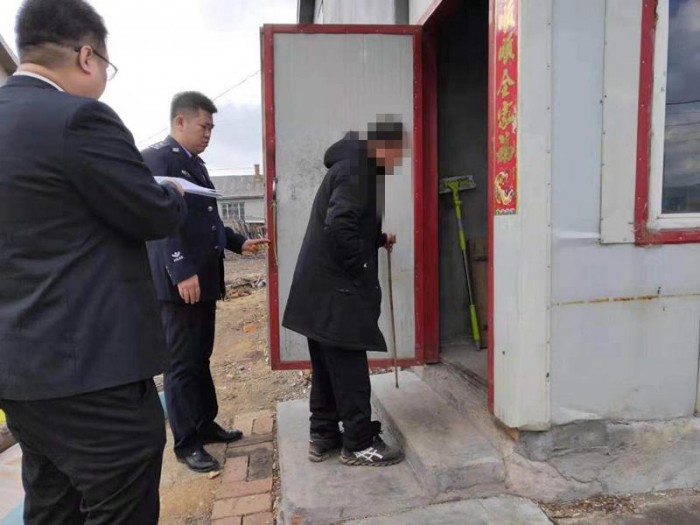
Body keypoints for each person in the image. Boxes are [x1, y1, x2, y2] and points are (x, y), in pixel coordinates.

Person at [0, 0, 188, 523]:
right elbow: (150, 213)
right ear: (88, 56)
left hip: (20, 374)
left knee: (52, 504)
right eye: (107, 65)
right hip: (93, 373)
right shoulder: (78, 119)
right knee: (119, 503)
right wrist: (170, 192)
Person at [144, 92, 269, 473]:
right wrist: (181, 270)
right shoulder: (158, 160)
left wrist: (237, 241)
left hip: (204, 279)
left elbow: (206, 219)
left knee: (200, 357)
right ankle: (186, 443)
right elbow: (160, 222)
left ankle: (204, 424)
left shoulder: (194, 164)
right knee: (181, 364)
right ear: (179, 121)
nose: (209, 134)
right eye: (204, 126)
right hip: (180, 283)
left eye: (212, 128)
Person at [282, 121, 407, 467]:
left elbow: (347, 222)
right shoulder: (359, 171)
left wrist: (377, 240)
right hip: (337, 294)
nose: (396, 162)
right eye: (396, 153)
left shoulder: (348, 167)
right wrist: (361, 267)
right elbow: (339, 224)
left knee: (326, 368)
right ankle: (359, 443)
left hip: (318, 293)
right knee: (350, 371)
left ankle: (323, 435)